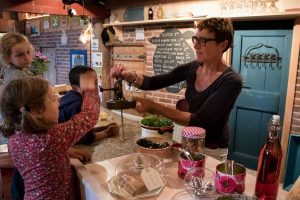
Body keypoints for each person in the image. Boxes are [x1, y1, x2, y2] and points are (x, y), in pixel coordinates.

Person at [111, 17, 243, 161]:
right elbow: (153, 82)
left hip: (212, 149)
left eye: (203, 41)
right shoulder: (193, 68)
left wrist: (154, 107)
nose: (196, 46)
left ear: (222, 44)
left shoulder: (231, 81)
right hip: (189, 140)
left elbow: (199, 120)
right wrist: (129, 76)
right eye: (195, 39)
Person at [0, 32, 92, 199]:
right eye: (52, 99)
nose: (27, 57)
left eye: (28, 52)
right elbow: (87, 118)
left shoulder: (18, 137)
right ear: (35, 111)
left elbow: (43, 153)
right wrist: (90, 88)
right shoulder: (51, 137)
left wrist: (63, 150)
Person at [59, 65, 119, 145]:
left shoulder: (70, 96)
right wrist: (108, 132)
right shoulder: (79, 105)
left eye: (95, 82)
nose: (94, 87)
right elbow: (86, 139)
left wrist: (105, 127)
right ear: (76, 88)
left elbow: (85, 131)